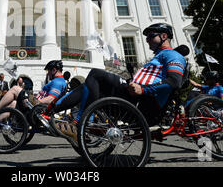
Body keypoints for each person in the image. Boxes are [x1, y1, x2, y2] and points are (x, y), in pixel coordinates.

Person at [53, 23, 187, 141]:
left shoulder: (174, 55)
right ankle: (50, 112)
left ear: (164, 36)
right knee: (87, 86)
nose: (147, 40)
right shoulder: (157, 58)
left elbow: (174, 82)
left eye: (151, 36)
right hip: (133, 99)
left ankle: (79, 124)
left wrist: (143, 89)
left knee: (96, 74)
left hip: (145, 106)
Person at [0, 60, 67, 114]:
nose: (48, 73)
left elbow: (50, 99)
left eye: (49, 71)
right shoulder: (58, 81)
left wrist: (35, 101)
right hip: (37, 106)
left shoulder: (58, 82)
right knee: (13, 104)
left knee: (15, 89)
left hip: (38, 108)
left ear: (54, 70)